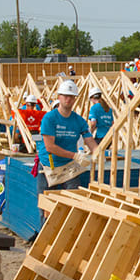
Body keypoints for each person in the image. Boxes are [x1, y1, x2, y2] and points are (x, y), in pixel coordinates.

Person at [37, 80, 98, 220]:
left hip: (69, 167)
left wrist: (97, 153)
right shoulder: (50, 118)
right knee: (46, 208)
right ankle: (45, 239)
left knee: (73, 204)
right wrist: (75, 156)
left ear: (75, 99)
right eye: (65, 95)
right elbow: (50, 147)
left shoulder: (79, 121)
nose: (68, 99)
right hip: (49, 166)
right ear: (59, 97)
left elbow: (90, 141)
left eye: (71, 96)